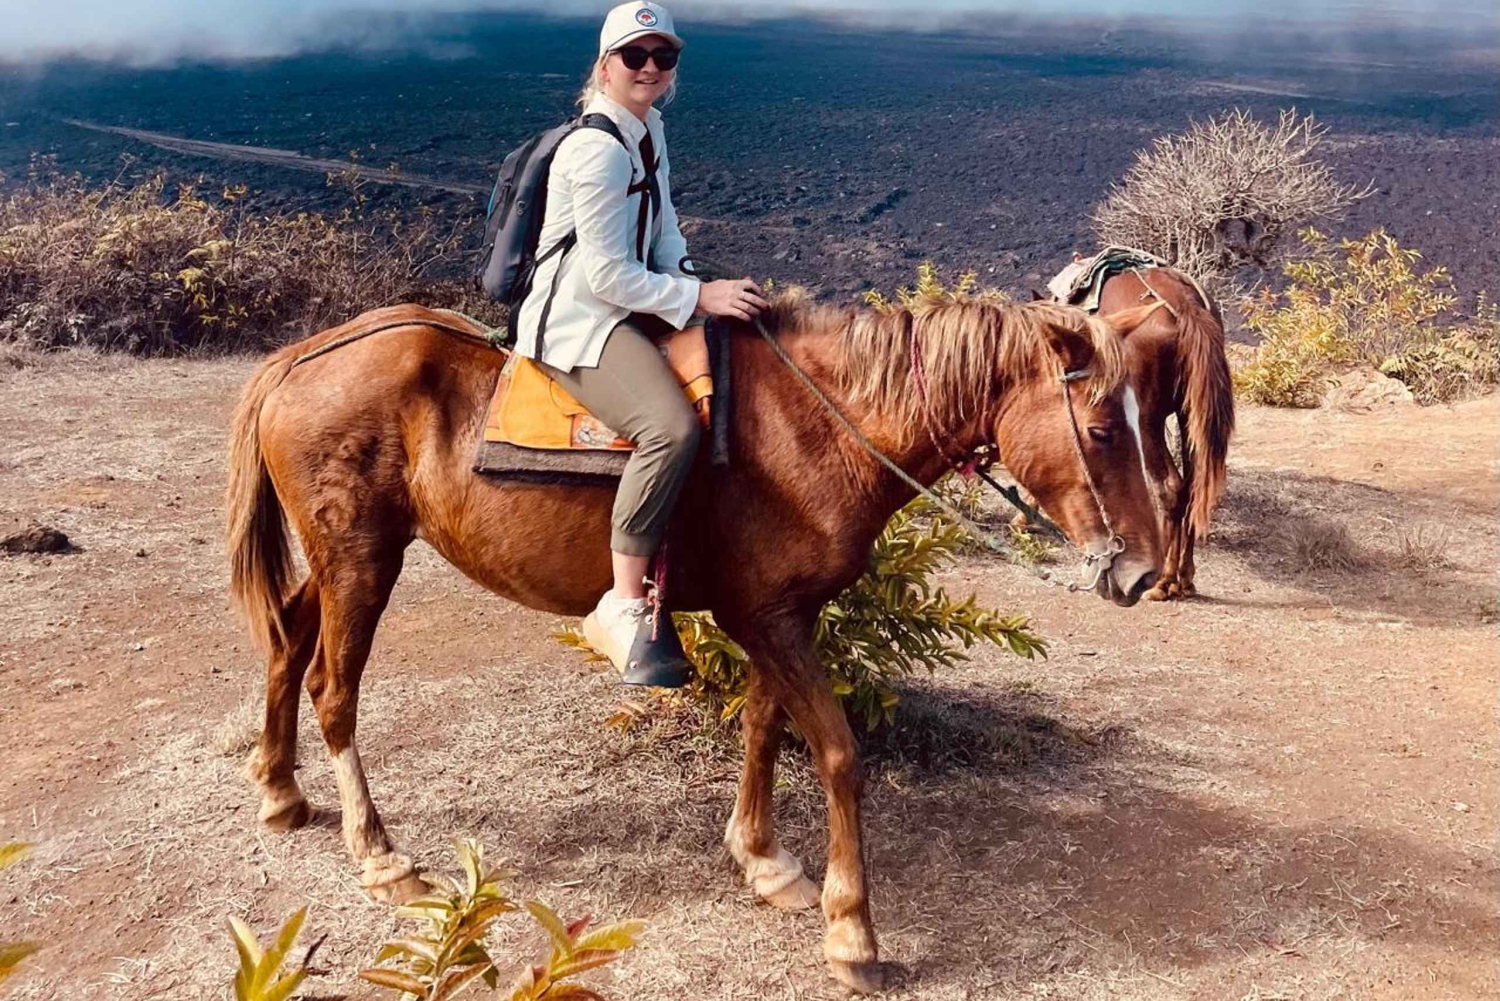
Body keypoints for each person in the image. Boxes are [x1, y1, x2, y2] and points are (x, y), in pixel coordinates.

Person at [513, 1, 768, 683]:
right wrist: (696, 297)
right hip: (579, 319)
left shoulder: (647, 128)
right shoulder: (595, 149)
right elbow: (605, 275)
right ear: (604, 66)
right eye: (635, 56)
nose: (650, 68)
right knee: (670, 427)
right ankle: (622, 603)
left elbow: (665, 235)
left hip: (628, 303)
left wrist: (691, 285)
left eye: (664, 57)